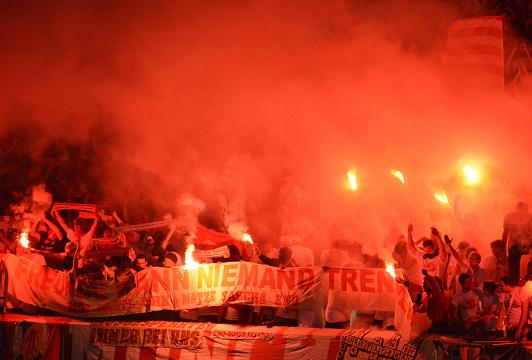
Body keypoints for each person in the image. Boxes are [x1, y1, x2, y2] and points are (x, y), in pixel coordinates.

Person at [502, 202, 532, 284]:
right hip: (514, 247)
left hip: (527, 246)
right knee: (514, 269)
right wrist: (503, 249)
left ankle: (526, 281)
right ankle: (514, 283)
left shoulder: (530, 217)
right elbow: (505, 233)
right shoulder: (509, 217)